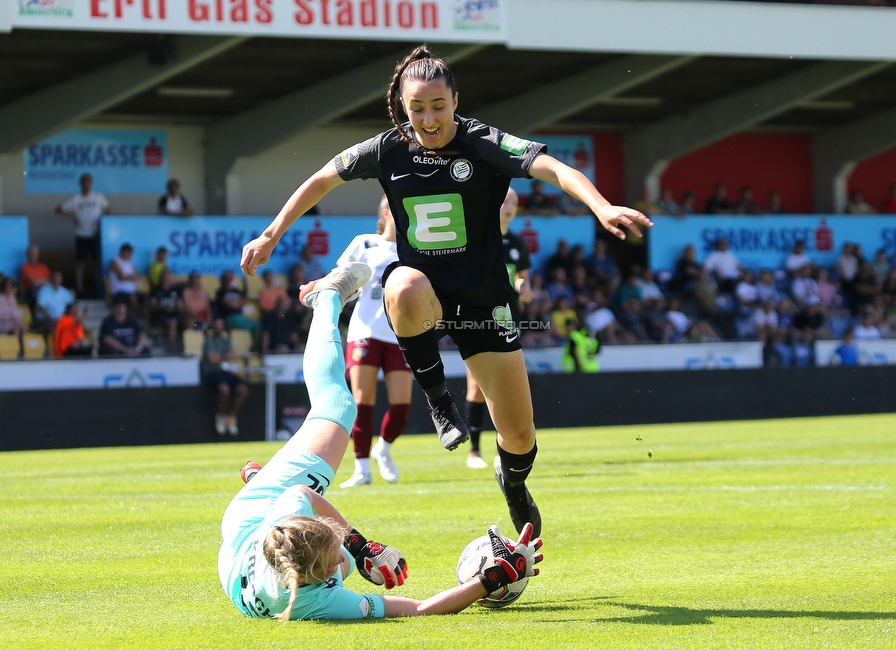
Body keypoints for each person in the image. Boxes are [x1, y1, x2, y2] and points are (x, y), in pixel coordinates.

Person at [239, 45, 651, 536]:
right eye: (417, 109)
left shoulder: (484, 143)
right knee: (404, 283)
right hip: (426, 297)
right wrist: (271, 233)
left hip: (485, 302)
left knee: (519, 434)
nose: (429, 118)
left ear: (456, 100)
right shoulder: (388, 149)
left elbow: (556, 169)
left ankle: (513, 483)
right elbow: (322, 178)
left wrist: (601, 207)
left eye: (438, 106)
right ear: (404, 108)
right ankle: (439, 402)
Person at [220, 264, 543, 621]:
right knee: (343, 563)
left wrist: (360, 547)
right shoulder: (312, 601)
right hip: (248, 533)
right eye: (334, 546)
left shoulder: (301, 571)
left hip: (250, 517)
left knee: (336, 409)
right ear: (313, 578)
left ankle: (326, 298)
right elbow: (419, 609)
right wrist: (491, 579)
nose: (338, 546)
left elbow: (303, 494)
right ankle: (263, 478)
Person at [334, 197, 413, 487]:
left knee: (402, 408)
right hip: (364, 332)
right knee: (362, 402)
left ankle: (384, 449)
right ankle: (361, 469)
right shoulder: (365, 243)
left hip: (400, 335)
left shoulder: (414, 248)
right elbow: (341, 278)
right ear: (385, 212)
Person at [465, 188, 530, 470]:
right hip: (478, 318)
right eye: (504, 200)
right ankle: (474, 452)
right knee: (477, 389)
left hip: (508, 321)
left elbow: (521, 278)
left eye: (514, 202)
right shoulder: (478, 235)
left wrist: (524, 289)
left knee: (506, 390)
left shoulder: (517, 243)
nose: (509, 206)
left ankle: (500, 450)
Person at [55, 173, 110, 298]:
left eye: (88, 182)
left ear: (91, 183)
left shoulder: (98, 196)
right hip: (81, 234)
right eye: (84, 182)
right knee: (80, 263)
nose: (86, 184)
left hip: (95, 234)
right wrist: (73, 217)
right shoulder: (76, 198)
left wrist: (103, 222)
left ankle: (99, 287)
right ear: (81, 184)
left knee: (97, 262)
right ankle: (80, 288)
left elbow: (108, 209)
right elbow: (58, 209)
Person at [202, 317, 249, 435]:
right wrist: (226, 356)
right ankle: (220, 416)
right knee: (225, 390)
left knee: (244, 390)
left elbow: (233, 355)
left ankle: (231, 416)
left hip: (225, 372)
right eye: (216, 324)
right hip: (212, 373)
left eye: (220, 324)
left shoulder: (226, 340)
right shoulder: (209, 340)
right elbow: (213, 360)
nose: (219, 327)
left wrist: (222, 357)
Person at [34, 270, 75, 348]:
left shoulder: (64, 292)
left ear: (61, 280)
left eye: (58, 277)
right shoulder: (44, 290)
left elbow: (71, 306)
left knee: (75, 326)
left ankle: (70, 348)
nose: (56, 279)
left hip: (61, 320)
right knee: (55, 327)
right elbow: (41, 307)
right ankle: (56, 349)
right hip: (46, 320)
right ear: (51, 278)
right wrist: (51, 319)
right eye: (54, 277)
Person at [150, 269, 183, 353]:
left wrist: (177, 308)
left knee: (192, 323)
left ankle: (192, 349)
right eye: (164, 275)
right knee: (173, 323)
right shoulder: (156, 290)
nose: (166, 278)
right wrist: (164, 308)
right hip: (160, 316)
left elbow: (181, 305)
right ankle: (173, 350)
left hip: (176, 315)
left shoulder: (176, 290)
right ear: (161, 277)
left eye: (168, 275)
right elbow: (152, 307)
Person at [107, 243, 144, 312]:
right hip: (118, 292)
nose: (131, 254)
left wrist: (129, 277)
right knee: (133, 298)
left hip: (131, 291)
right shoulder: (115, 262)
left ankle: (142, 320)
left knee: (146, 297)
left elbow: (138, 276)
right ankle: (134, 320)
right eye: (130, 252)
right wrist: (132, 277)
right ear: (124, 252)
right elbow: (122, 277)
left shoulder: (130, 264)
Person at [0, 277, 26, 357]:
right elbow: (2, 314)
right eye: (7, 286)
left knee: (23, 328)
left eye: (10, 287)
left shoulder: (13, 298)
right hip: (2, 322)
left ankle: (25, 350)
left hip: (10, 322)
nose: (9, 288)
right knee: (16, 329)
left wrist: (20, 324)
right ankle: (18, 352)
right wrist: (12, 320)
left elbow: (14, 314)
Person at [19, 245, 50, 309]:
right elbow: (33, 283)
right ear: (27, 255)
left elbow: (50, 281)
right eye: (31, 254)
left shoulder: (43, 266)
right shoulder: (25, 267)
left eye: (35, 253)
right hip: (31, 291)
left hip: (46, 289)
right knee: (40, 294)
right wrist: (43, 280)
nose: (33, 255)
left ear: (38, 254)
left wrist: (38, 281)